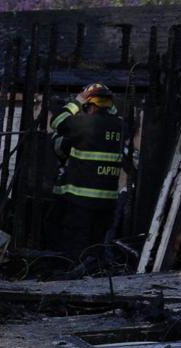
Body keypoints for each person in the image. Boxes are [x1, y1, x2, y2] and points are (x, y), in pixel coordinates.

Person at [48, 82, 125, 260]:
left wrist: (77, 101)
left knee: (75, 246)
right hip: (107, 201)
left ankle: (73, 278)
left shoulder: (85, 124)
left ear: (90, 105)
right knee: (96, 246)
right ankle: (92, 276)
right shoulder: (120, 126)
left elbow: (57, 122)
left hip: (80, 200)